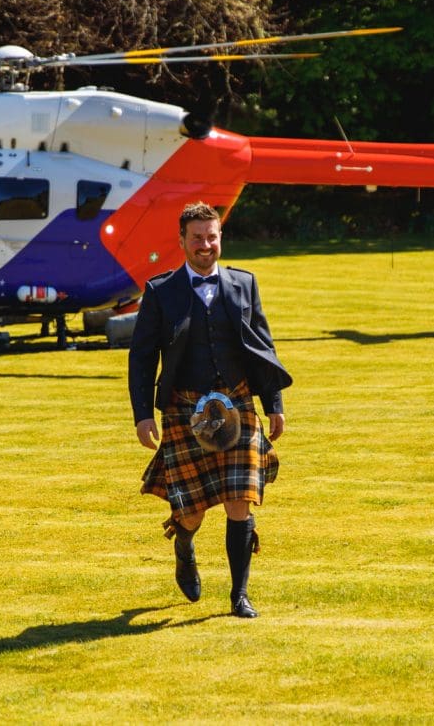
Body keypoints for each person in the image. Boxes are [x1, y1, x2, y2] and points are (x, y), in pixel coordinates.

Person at [128, 201, 291, 618]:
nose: (205, 245)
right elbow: (142, 356)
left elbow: (263, 346)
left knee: (240, 499)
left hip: (237, 402)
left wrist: (273, 403)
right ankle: (184, 543)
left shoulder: (243, 284)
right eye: (197, 238)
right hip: (185, 408)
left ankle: (239, 595)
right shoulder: (161, 291)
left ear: (221, 237)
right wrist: (143, 414)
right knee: (194, 510)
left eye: (212, 237)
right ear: (182, 240)